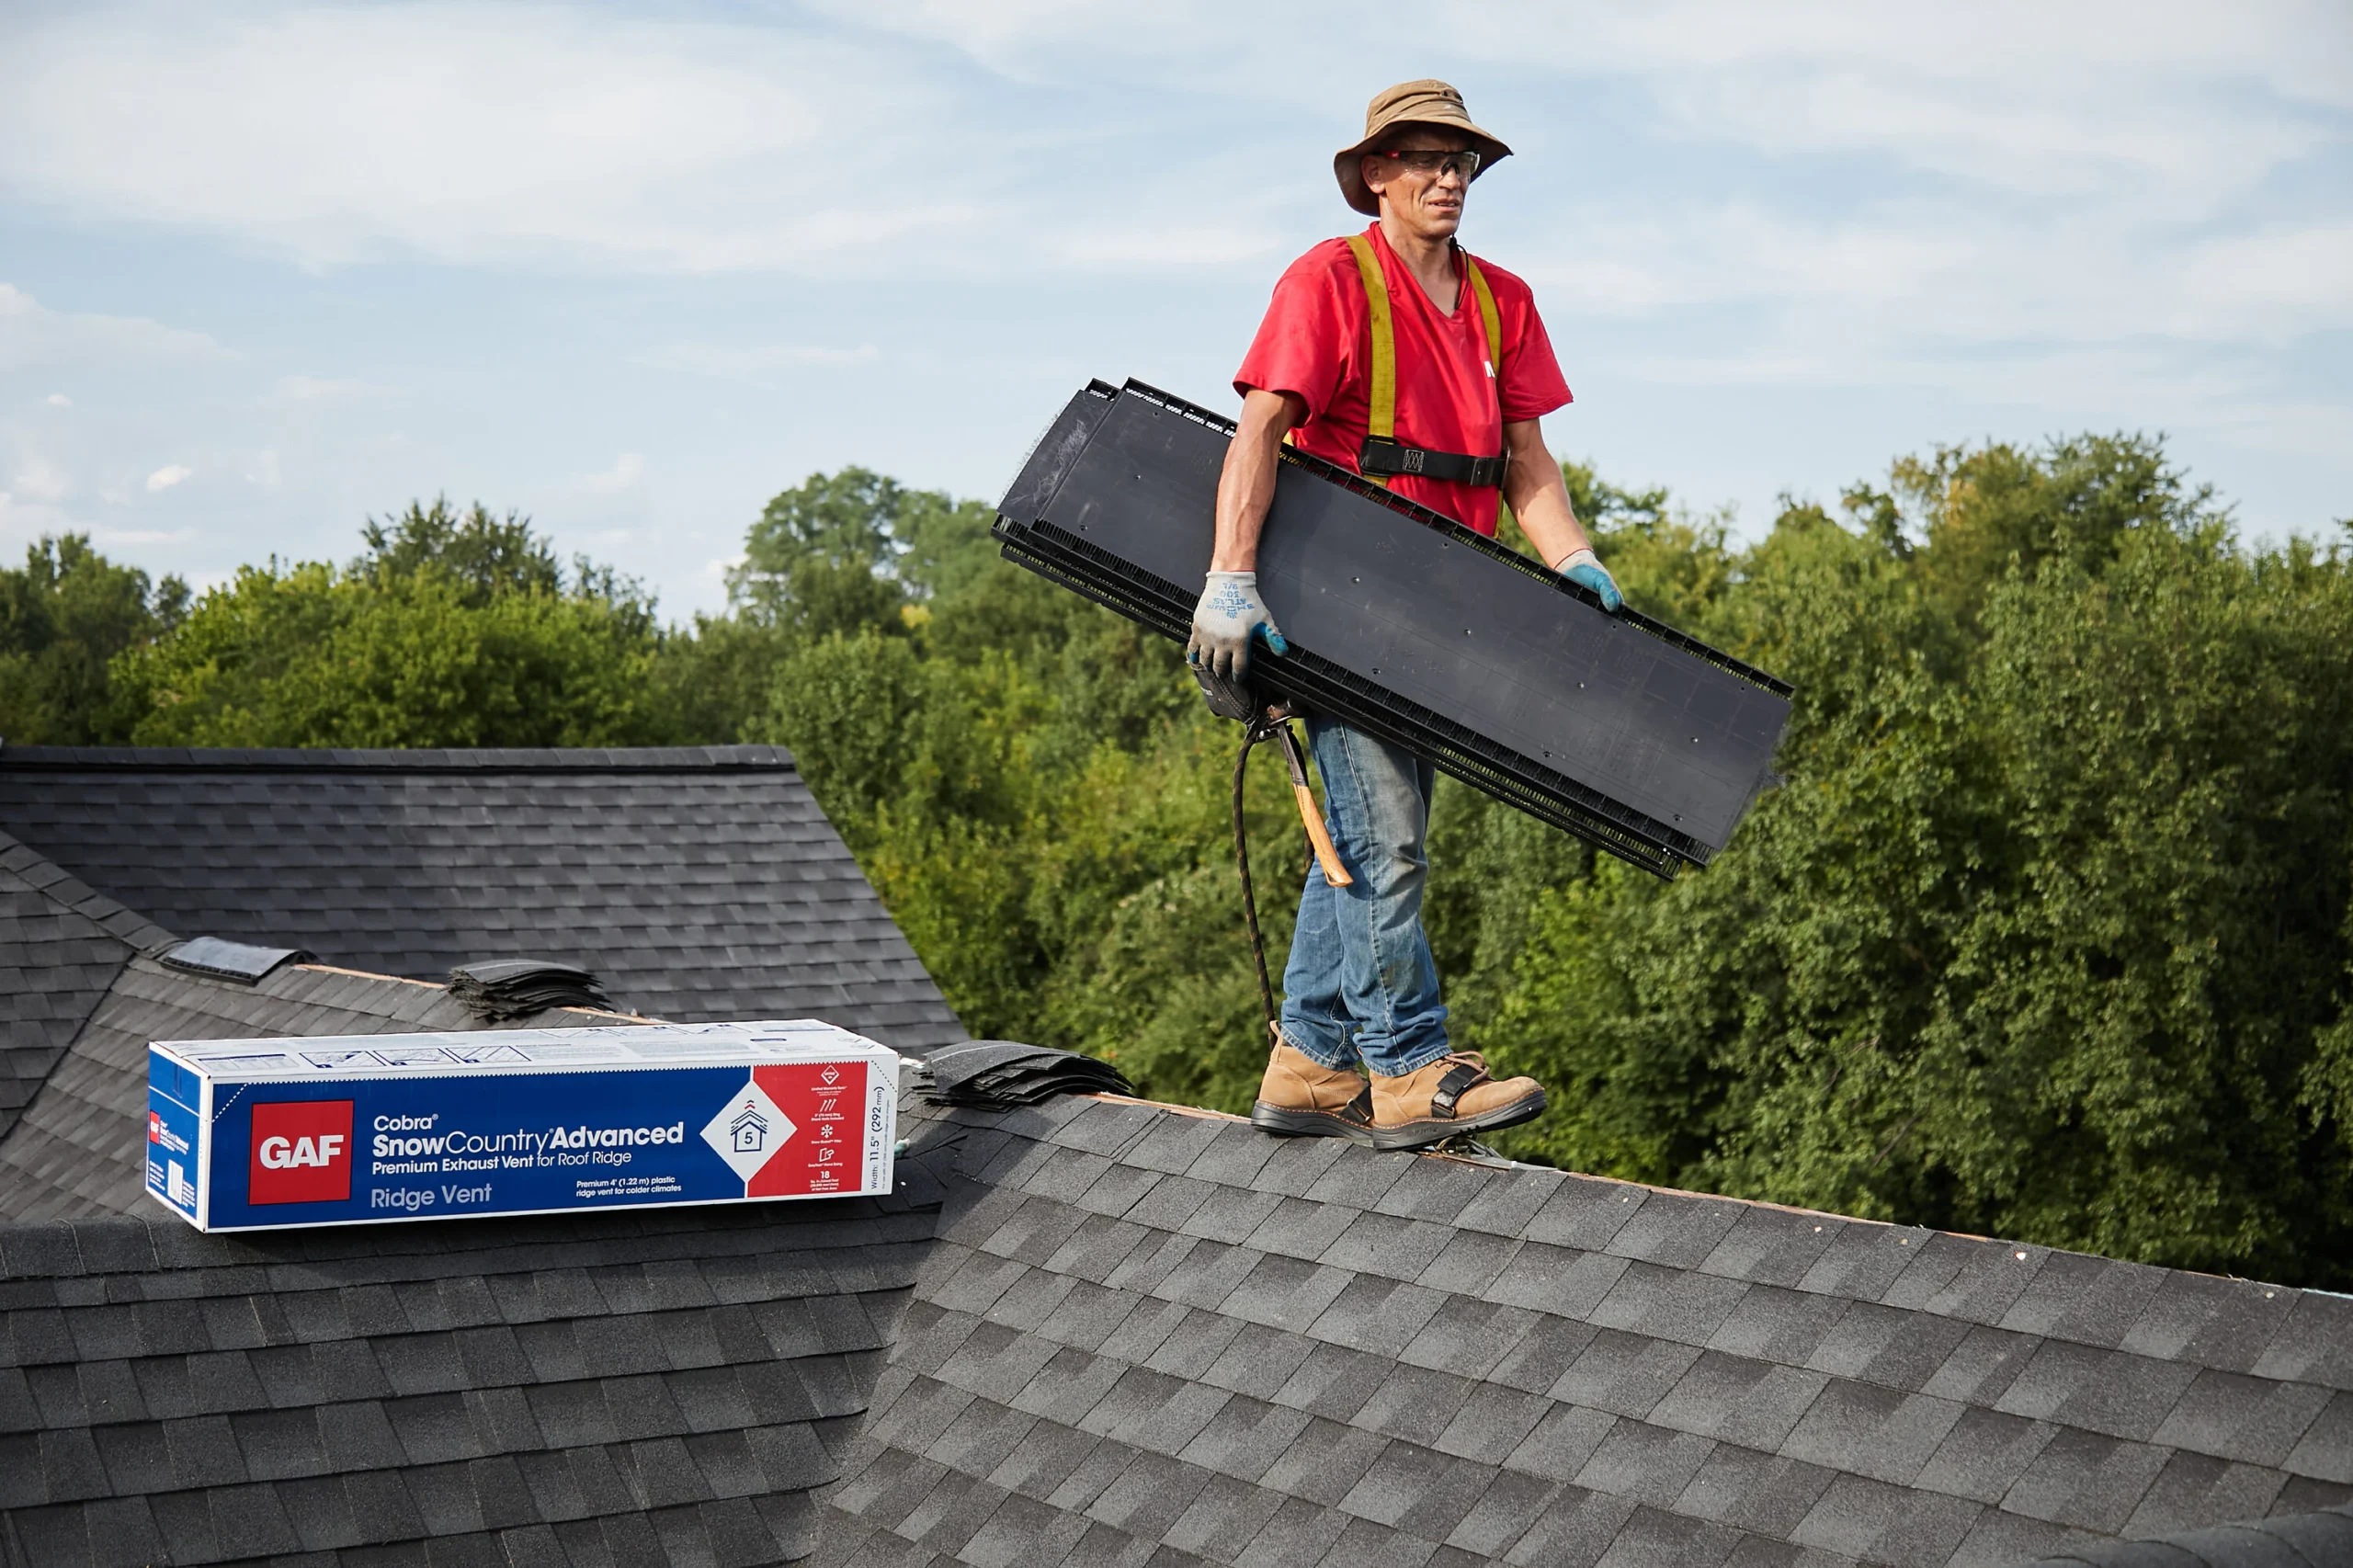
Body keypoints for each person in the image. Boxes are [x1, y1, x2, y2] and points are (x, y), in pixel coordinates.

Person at [1187, 80, 1622, 1153]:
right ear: (1374, 173)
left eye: (1461, 162)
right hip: (1337, 601)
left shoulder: (1502, 300)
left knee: (1356, 841)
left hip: (1448, 613)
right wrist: (1228, 577)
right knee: (1387, 841)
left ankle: (1307, 1064)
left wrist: (1569, 555)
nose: (1447, 178)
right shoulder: (1328, 279)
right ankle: (1406, 1066)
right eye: (1424, 158)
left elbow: (1524, 460)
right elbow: (1259, 433)